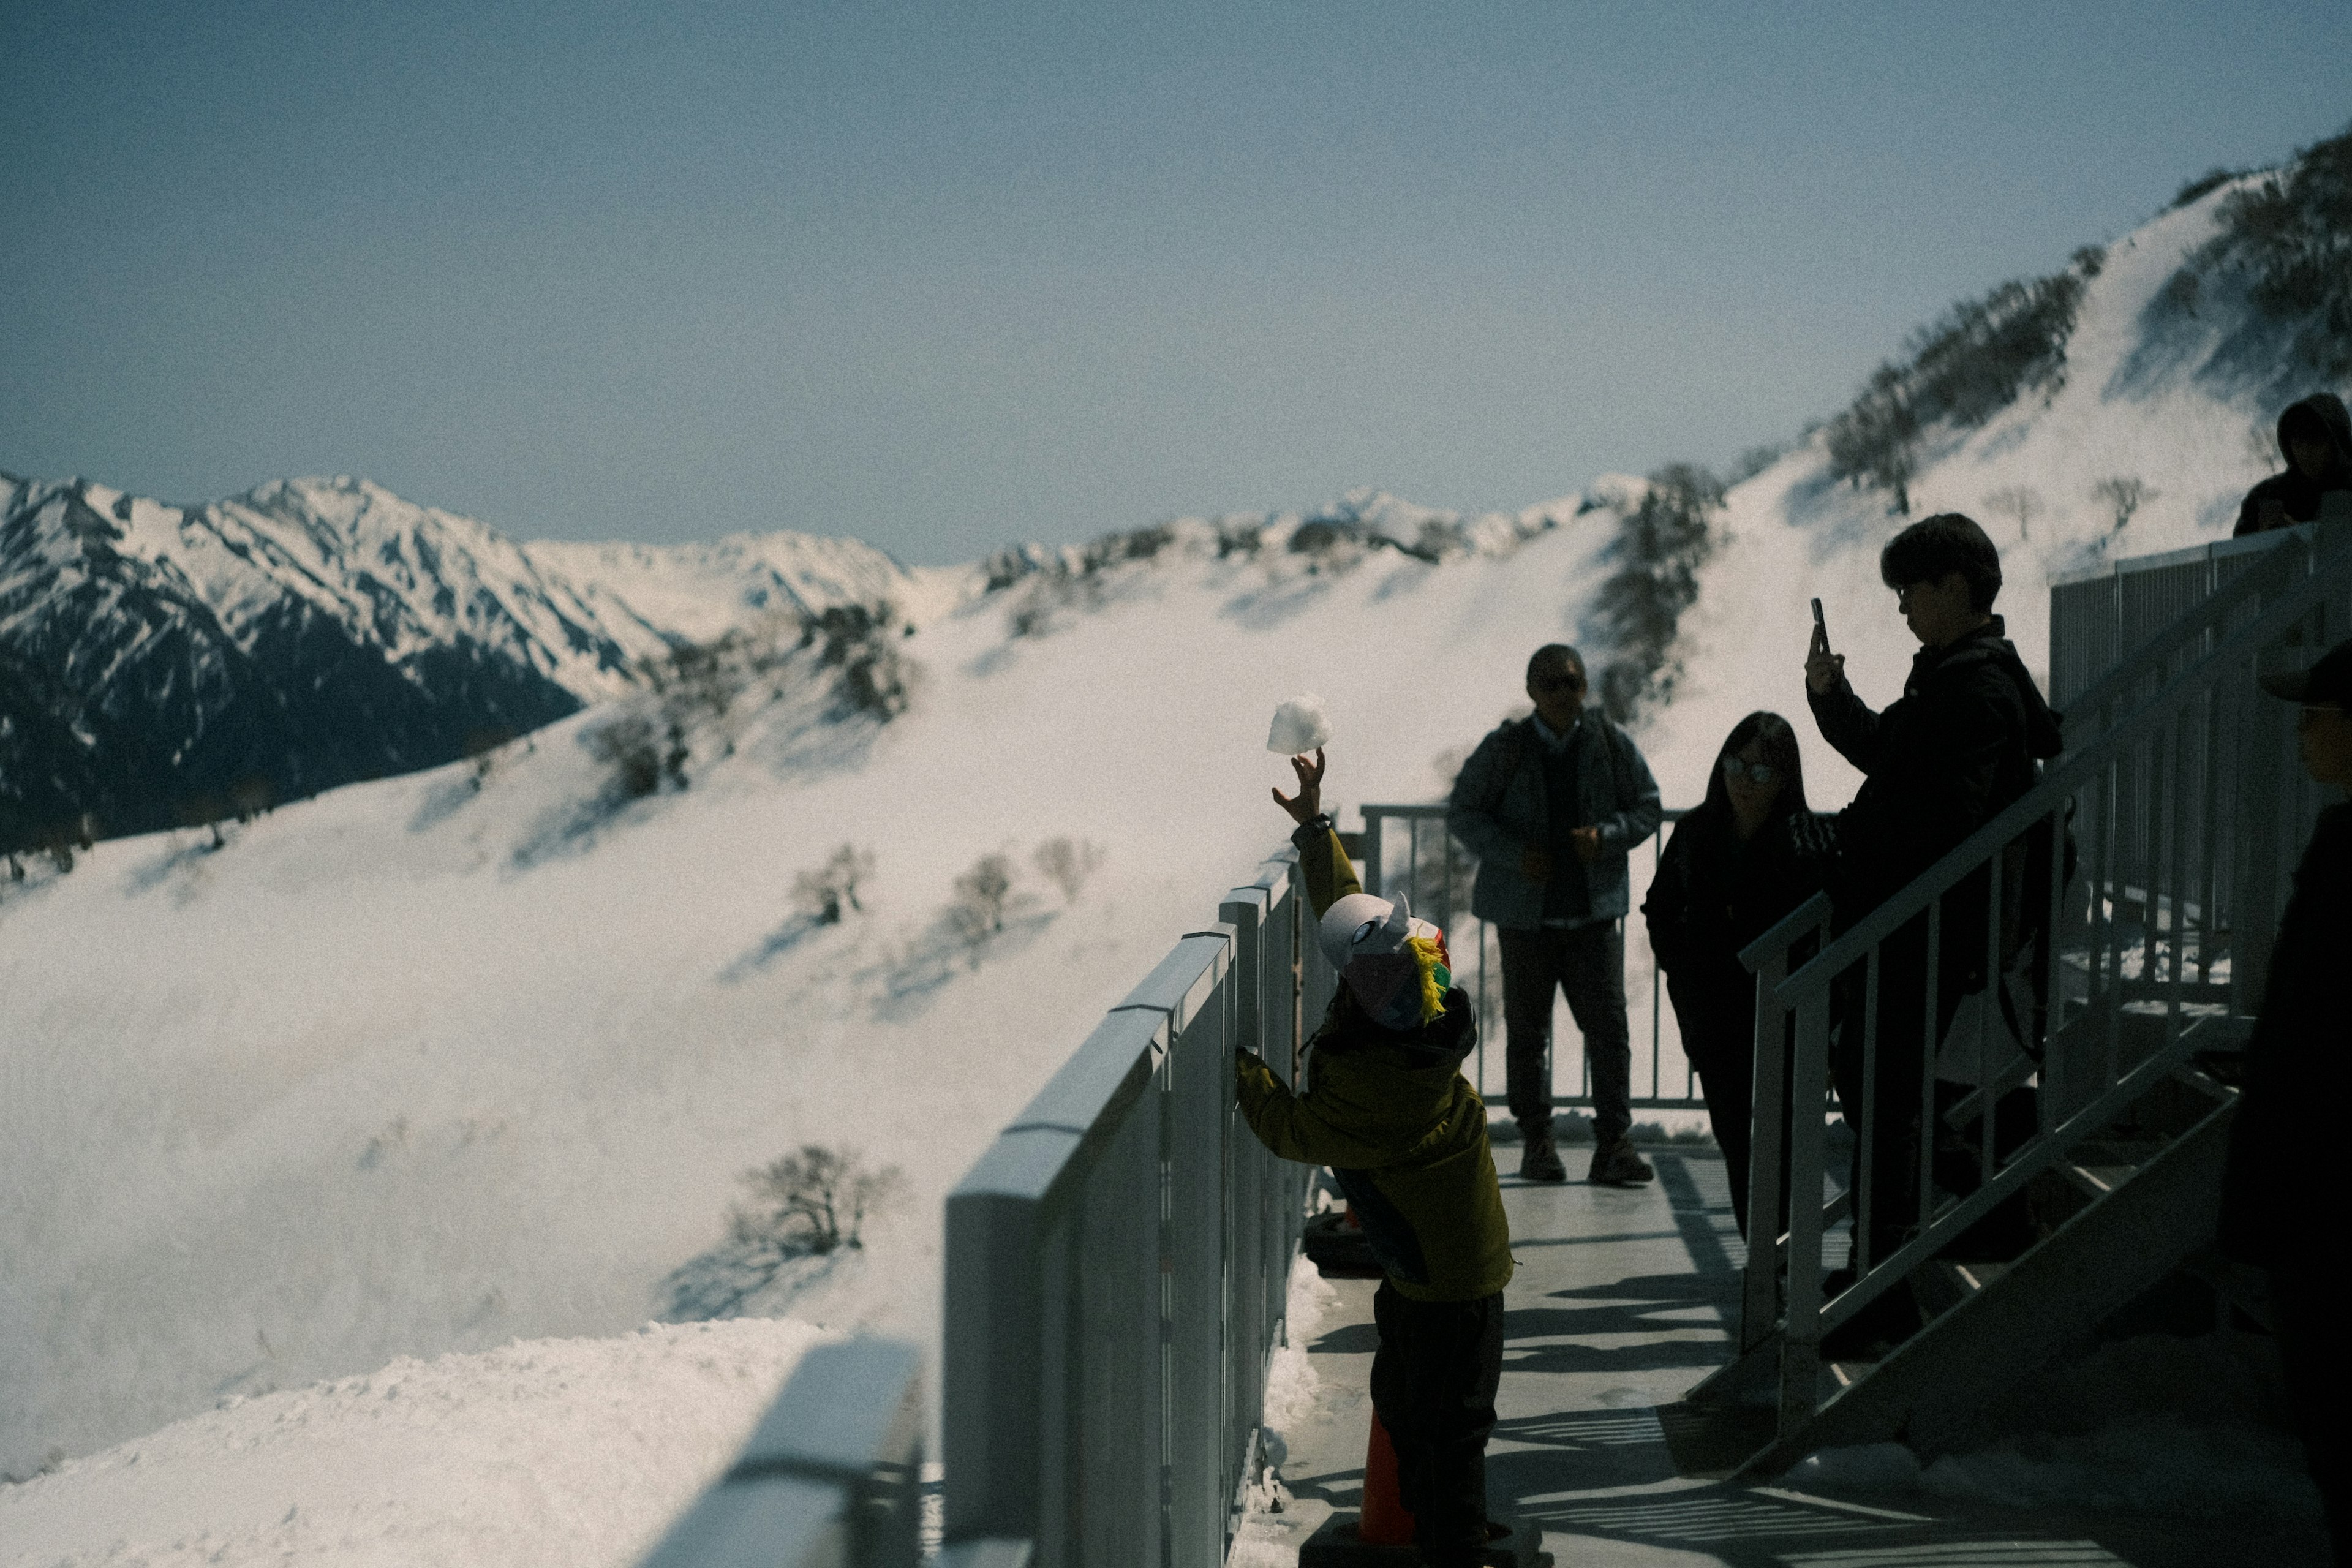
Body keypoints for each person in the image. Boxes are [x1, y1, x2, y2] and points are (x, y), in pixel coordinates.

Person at [1239, 748, 1513, 1568]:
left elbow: (1292, 1129)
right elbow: (1351, 918)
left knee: (1447, 1425)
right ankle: (1442, 1530)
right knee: (1410, 1401)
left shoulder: (1375, 1085)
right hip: (1433, 1264)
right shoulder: (1419, 1002)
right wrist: (1318, 830)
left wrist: (1239, 1067)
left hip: (1448, 1275)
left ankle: (1453, 1546)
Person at [1803, 514, 2062, 1287]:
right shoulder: (1958, 675)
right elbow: (1894, 759)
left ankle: (1879, 1280)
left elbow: (1941, 819)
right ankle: (1971, 1218)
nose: (1903, 607)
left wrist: (1847, 846)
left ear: (1955, 586)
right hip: (1924, 921)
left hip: (1932, 924)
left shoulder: (1977, 688)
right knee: (1884, 1087)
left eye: (1911, 590)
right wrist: (1830, 694)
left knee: (1884, 1093)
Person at [2217, 637, 2352, 1564]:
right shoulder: (2340, 846)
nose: (2301, 733)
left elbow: (2314, 1053)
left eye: (2317, 714)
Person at [1446, 644, 1663, 1185]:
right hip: (1528, 922)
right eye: (1550, 684)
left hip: (1589, 918)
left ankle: (1613, 1143)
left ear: (1585, 687)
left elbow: (1648, 807)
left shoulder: (1608, 743)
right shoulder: (1507, 749)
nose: (1562, 693)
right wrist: (1516, 855)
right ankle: (1538, 1143)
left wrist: (1607, 837)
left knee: (1609, 1032)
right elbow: (1464, 813)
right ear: (1531, 691)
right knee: (1527, 1033)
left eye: (1570, 682)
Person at [1640, 713, 1834, 1237]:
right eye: (1735, 764)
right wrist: (1682, 972)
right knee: (1734, 1135)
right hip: (1712, 1013)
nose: (1744, 780)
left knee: (1785, 1137)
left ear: (1786, 780)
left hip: (1786, 1013)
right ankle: (1763, 1252)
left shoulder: (1805, 840)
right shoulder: (1695, 833)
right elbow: (1660, 910)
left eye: (1762, 773)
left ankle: (1777, 1249)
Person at [2234, 393, 2352, 536]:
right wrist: (2263, 537)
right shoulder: (2267, 496)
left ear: (2337, 442)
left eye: (2314, 441)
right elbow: (2237, 554)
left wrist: (2302, 534)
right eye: (2298, 444)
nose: (2305, 452)